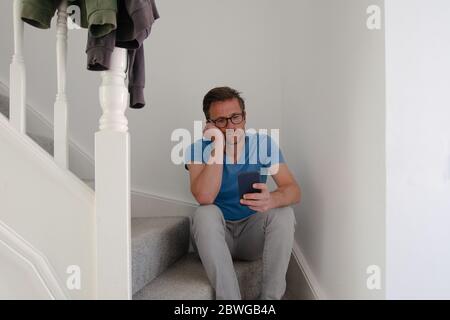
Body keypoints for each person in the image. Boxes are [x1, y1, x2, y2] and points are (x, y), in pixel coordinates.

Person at [184, 86, 301, 300]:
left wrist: (272, 198)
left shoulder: (263, 145)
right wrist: (218, 146)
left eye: (235, 117)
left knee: (284, 213)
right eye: (220, 120)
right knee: (204, 212)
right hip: (216, 237)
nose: (230, 126)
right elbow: (204, 197)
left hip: (252, 236)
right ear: (209, 124)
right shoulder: (196, 149)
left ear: (244, 118)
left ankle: (270, 301)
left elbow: (293, 190)